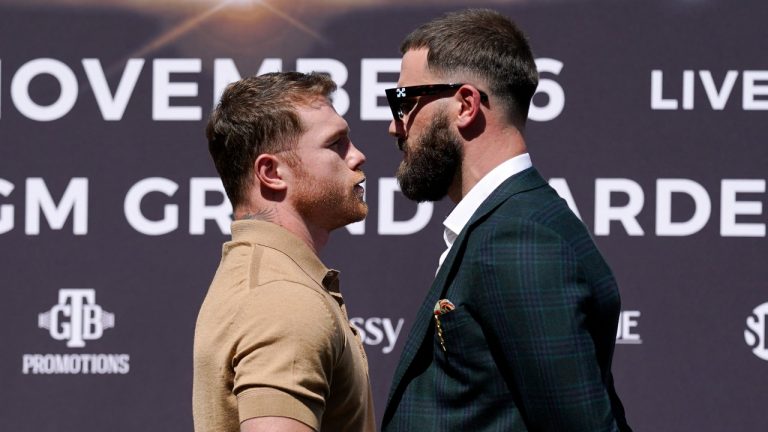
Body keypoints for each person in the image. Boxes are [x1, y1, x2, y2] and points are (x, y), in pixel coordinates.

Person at [381, 9, 631, 431]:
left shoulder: (518, 238)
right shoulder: (508, 223)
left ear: (465, 104)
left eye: (404, 101)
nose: (394, 125)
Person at [193, 71, 375, 432]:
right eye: (335, 144)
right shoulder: (283, 299)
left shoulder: (268, 282)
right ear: (272, 172)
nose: (357, 156)